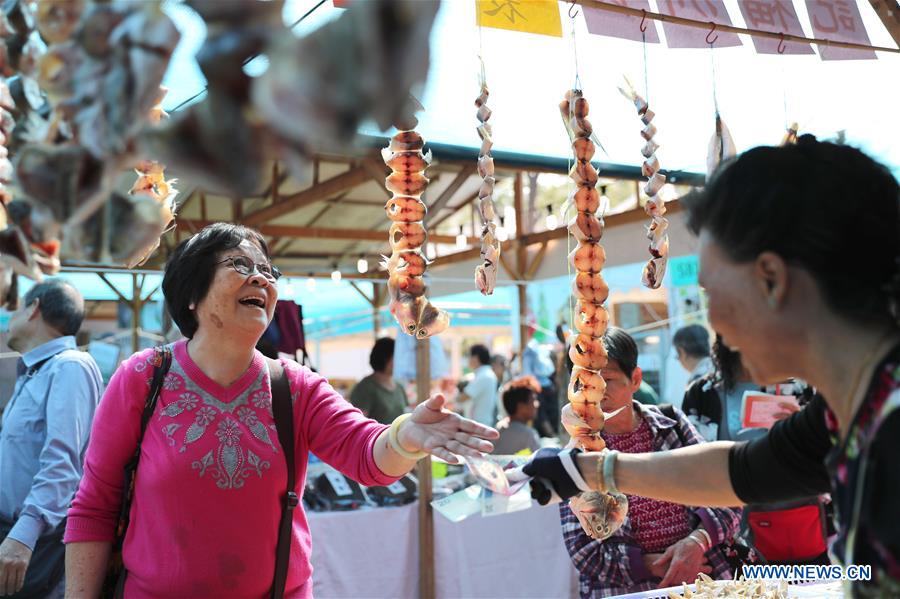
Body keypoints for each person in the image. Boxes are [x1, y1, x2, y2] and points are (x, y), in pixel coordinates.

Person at [523, 137, 900, 594]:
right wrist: (596, 471)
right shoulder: (850, 409)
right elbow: (741, 470)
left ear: (771, 280)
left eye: (711, 291)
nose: (713, 321)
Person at [63, 223, 498, 598]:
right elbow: (94, 507)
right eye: (240, 266)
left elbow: (367, 454)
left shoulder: (295, 387)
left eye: (268, 272)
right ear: (192, 293)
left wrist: (404, 436)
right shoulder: (141, 378)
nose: (261, 280)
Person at [560, 327, 741, 597]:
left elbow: (726, 491)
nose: (594, 393)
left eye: (606, 380)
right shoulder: (576, 454)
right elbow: (584, 553)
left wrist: (697, 542)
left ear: (635, 379)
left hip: (707, 580)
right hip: (629, 590)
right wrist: (658, 566)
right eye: (582, 383)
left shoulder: (672, 425)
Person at [0, 280, 103, 598]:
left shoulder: (69, 367)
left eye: (17, 308)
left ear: (34, 308)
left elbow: (62, 462)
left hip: (35, 543)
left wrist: (25, 535)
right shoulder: (37, 370)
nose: (11, 317)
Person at [349, 337, 408, 424]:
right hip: (377, 437)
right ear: (385, 358)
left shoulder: (399, 386)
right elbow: (358, 422)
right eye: (396, 357)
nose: (400, 362)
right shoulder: (365, 387)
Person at [522, 327, 558, 437]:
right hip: (548, 436)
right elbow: (542, 416)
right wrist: (553, 435)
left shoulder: (543, 385)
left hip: (547, 434)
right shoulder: (545, 386)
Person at [491, 376, 542, 455]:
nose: (537, 404)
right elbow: (539, 463)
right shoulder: (528, 435)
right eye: (533, 400)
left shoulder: (499, 427)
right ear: (521, 407)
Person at [456, 344, 498, 426]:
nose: (468, 359)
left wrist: (449, 399)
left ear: (475, 357)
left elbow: (463, 397)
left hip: (480, 426)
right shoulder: (485, 374)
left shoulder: (484, 376)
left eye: (469, 356)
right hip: (480, 424)